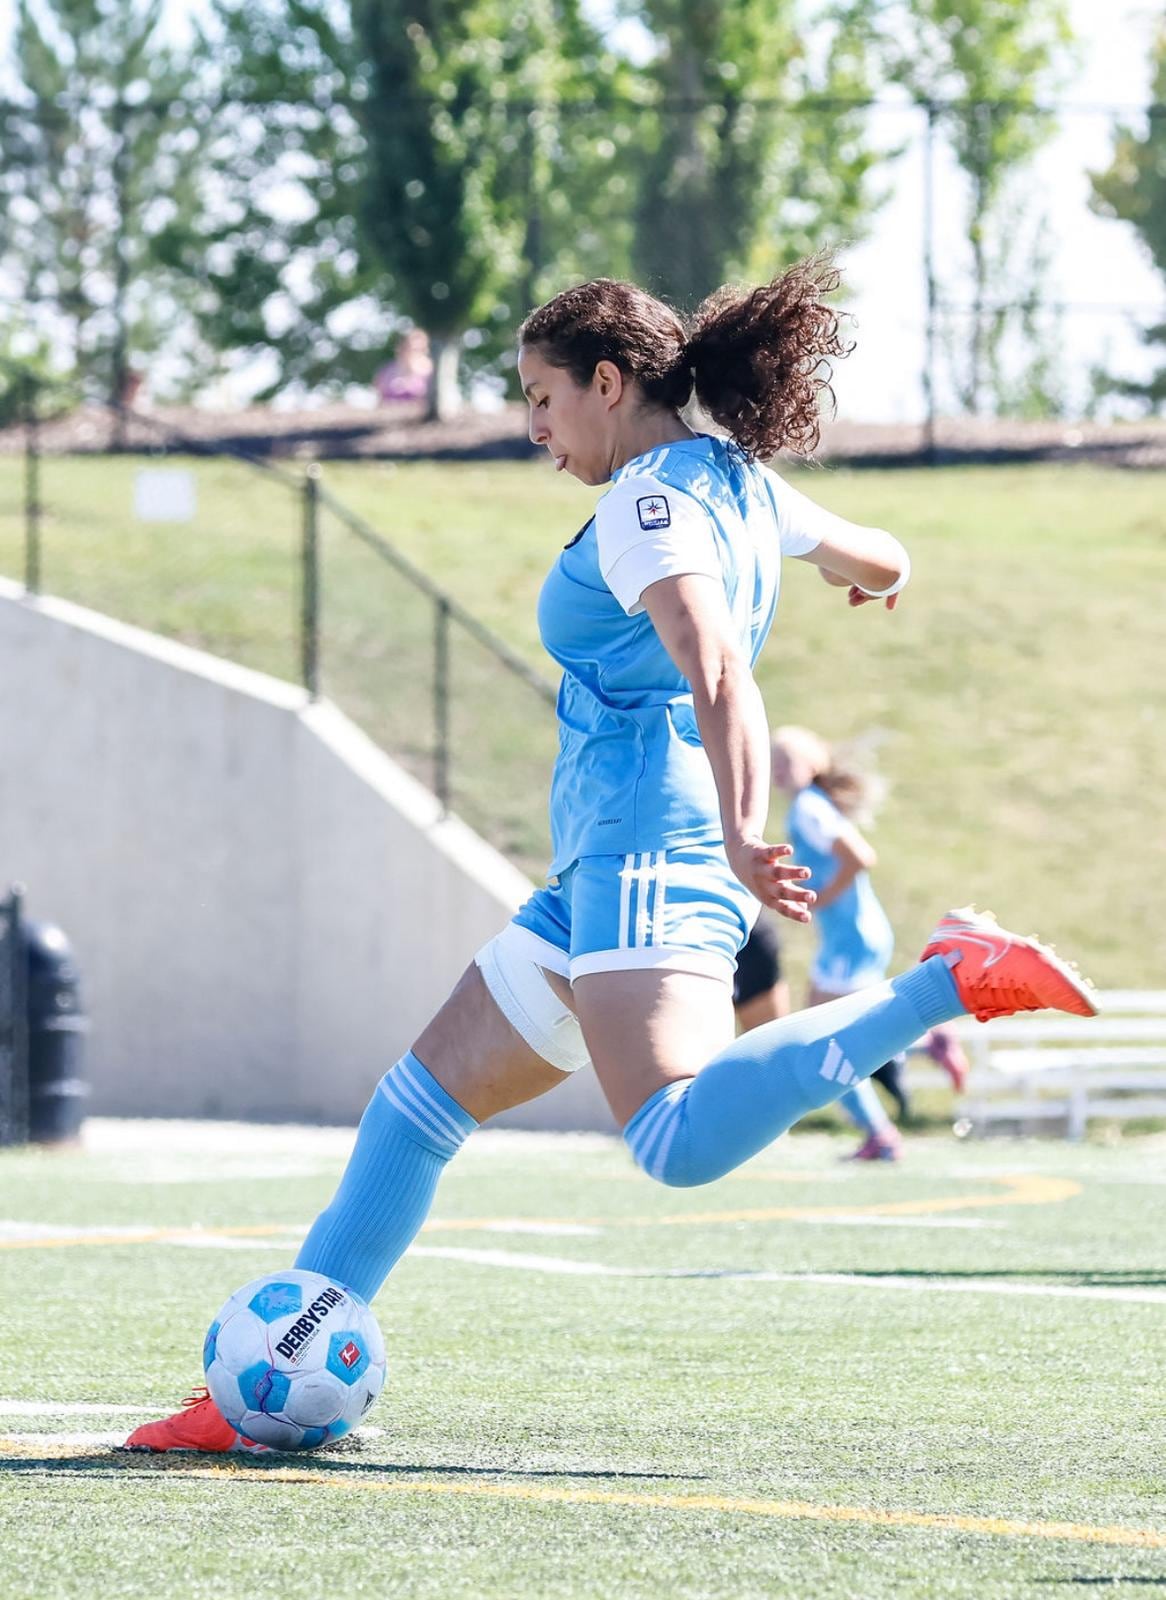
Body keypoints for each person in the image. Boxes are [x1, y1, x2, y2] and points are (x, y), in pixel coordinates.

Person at [125, 260, 1096, 1453]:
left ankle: (949, 977)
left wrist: (748, 828)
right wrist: (865, 577)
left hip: (650, 838)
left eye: (541, 397)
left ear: (607, 379)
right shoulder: (733, 480)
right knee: (417, 1103)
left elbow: (718, 668)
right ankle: (262, 1382)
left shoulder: (647, 507)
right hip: (604, 857)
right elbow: (878, 552)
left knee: (672, 1139)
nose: (532, 427)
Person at [770, 726, 971, 1161]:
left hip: (852, 940)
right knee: (832, 1041)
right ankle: (880, 1129)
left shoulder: (808, 807)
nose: (778, 770)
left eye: (787, 760)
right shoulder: (812, 805)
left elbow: (859, 857)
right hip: (857, 936)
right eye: (774, 761)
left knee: (824, 1042)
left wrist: (822, 897)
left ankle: (915, 1064)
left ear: (813, 763)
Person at [374, 328, 433, 404]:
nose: (410, 351)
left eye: (417, 349)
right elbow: (379, 399)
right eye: (407, 347)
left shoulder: (430, 371)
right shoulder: (385, 371)